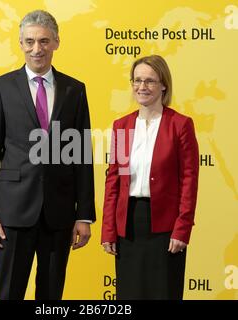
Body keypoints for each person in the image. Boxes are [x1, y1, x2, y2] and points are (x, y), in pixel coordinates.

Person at [0, 10, 95, 300]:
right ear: (20, 43)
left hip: (59, 211)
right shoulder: (2, 87)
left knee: (51, 296)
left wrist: (84, 215)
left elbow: (82, 155)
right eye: (29, 41)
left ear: (56, 42)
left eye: (43, 41)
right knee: (8, 293)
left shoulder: (75, 90)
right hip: (12, 213)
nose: (36, 49)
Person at [101, 55, 199, 300]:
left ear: (163, 84)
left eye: (149, 81)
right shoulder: (121, 126)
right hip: (129, 227)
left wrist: (182, 229)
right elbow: (114, 180)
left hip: (165, 228)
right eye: (137, 80)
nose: (141, 87)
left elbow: (189, 180)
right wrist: (108, 230)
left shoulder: (180, 125)